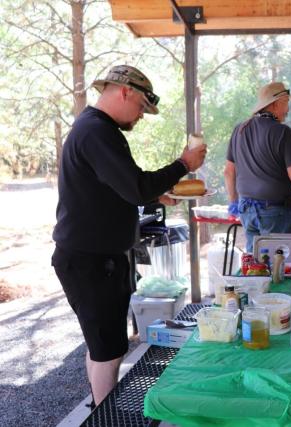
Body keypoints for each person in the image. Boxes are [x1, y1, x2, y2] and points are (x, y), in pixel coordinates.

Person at [51, 65, 207, 407]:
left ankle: (99, 405)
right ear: (125, 92)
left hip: (95, 258)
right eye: (140, 108)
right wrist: (183, 163)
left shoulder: (95, 128)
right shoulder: (96, 131)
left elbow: (116, 186)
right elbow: (135, 187)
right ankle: (107, 415)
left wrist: (156, 195)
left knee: (103, 344)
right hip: (91, 261)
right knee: (108, 350)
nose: (139, 118)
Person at [224, 82, 291, 253]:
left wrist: (233, 201)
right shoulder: (282, 132)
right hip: (276, 213)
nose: (288, 110)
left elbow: (228, 172)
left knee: (256, 266)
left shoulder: (239, 130)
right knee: (280, 265)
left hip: (246, 210)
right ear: (275, 104)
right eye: (286, 103)